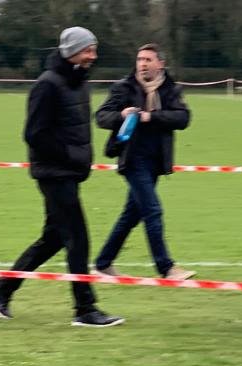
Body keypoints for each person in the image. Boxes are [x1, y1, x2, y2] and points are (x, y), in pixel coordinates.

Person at [0, 27, 124, 328]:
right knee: (78, 238)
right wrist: (70, 155)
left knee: (55, 237)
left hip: (70, 172)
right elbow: (34, 134)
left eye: (94, 49)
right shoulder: (47, 84)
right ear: (71, 51)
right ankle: (85, 309)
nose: (93, 56)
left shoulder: (79, 82)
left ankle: (3, 287)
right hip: (53, 173)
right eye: (88, 50)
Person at [93, 43, 193, 281]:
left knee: (131, 214)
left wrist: (151, 117)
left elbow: (182, 117)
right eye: (140, 60)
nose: (143, 64)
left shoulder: (170, 90)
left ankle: (103, 264)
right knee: (153, 210)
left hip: (156, 161)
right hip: (132, 158)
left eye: (148, 59)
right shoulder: (123, 87)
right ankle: (166, 267)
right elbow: (101, 117)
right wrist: (121, 115)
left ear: (161, 64)